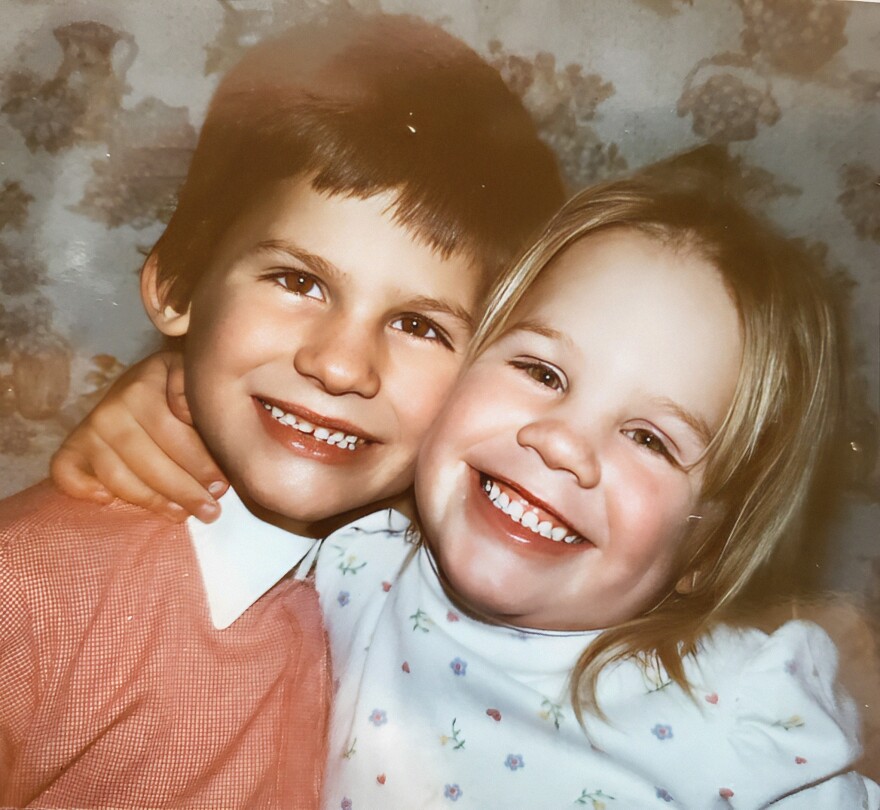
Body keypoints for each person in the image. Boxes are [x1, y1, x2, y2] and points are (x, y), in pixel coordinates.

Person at [54, 167, 880, 806]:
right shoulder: (358, 551)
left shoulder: (746, 711)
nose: (561, 443)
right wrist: (164, 402)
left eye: (649, 438)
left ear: (711, 543)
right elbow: (276, 435)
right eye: (540, 369)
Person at [0, 14, 564, 808]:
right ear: (181, 284)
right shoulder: (25, 592)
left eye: (419, 326)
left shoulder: (433, 617)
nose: (338, 364)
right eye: (298, 281)